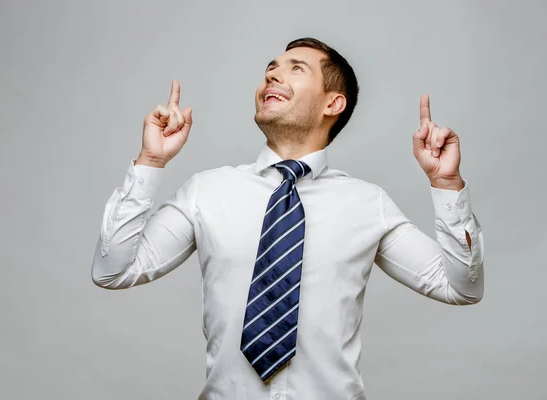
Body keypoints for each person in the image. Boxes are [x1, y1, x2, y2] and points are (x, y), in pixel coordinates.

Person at [91, 37, 485, 400]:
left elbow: (462, 288)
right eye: (271, 68)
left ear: (333, 103)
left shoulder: (367, 203)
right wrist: (150, 162)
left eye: (295, 68)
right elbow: (113, 271)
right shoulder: (206, 192)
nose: (272, 75)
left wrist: (446, 182)